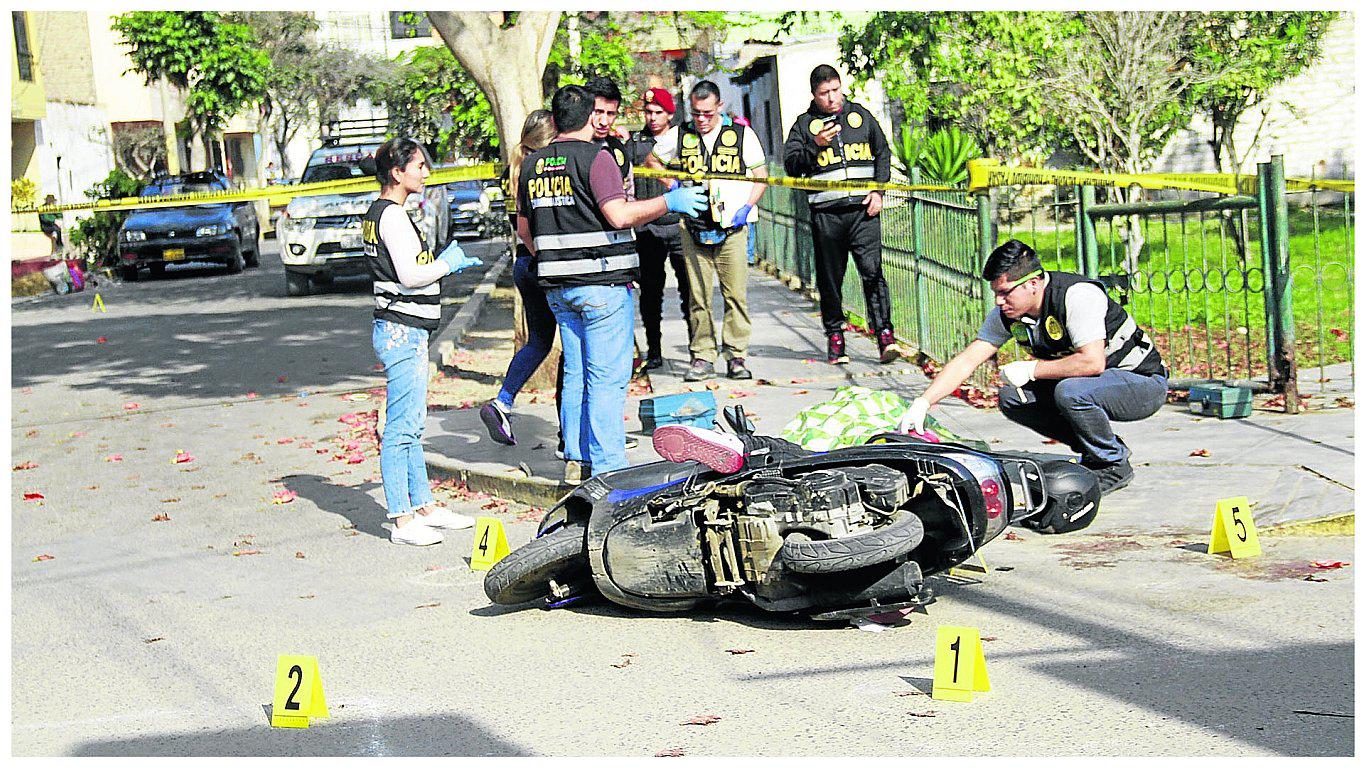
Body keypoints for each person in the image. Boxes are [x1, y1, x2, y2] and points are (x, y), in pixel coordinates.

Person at [517, 85, 705, 483]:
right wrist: (670, 203)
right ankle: (608, 471)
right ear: (588, 118)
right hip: (601, 285)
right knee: (606, 379)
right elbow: (619, 216)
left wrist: (554, 256)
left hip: (558, 286)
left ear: (553, 121)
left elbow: (524, 228)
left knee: (577, 372)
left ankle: (575, 457)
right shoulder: (596, 158)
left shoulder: (532, 166)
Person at [902, 239, 1169, 496]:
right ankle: (1101, 449)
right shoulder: (1008, 314)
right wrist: (924, 402)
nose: (998, 301)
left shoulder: (1076, 296)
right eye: (995, 293)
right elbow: (968, 360)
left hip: (1142, 383)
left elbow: (1091, 361)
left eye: (1005, 292)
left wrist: (1032, 370)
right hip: (1093, 385)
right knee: (1012, 397)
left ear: (1032, 283)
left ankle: (1112, 465)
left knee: (1070, 391)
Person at [363, 137, 476, 545]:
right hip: (401, 330)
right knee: (401, 427)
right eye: (419, 166)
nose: (426, 173)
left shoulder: (384, 214)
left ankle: (424, 506)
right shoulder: (391, 216)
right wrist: (448, 263)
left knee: (412, 424)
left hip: (404, 329)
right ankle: (402, 518)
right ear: (397, 173)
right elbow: (410, 276)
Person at [647, 80, 768, 382]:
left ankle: (736, 355)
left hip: (732, 228)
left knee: (735, 295)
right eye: (696, 113)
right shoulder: (680, 134)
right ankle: (702, 355)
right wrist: (672, 186)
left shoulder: (741, 135)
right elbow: (651, 161)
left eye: (707, 113)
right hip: (693, 227)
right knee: (698, 297)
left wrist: (746, 207)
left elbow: (761, 176)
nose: (701, 120)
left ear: (719, 108)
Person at [783, 65, 899, 366]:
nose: (832, 98)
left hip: (864, 212)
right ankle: (835, 336)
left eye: (836, 90)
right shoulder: (804, 124)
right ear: (814, 95)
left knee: (873, 273)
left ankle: (885, 334)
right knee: (831, 281)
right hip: (827, 216)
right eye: (825, 94)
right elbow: (792, 165)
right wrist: (815, 145)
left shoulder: (860, 116)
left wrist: (879, 192)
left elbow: (882, 152)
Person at [480, 110, 560, 447]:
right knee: (571, 345)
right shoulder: (537, 171)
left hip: (523, 265)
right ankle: (570, 434)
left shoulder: (511, 170)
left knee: (540, 341)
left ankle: (503, 401)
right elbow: (529, 230)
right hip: (543, 263)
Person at [626, 87, 690, 370]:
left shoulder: (684, 140)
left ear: (670, 114)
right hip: (648, 229)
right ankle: (654, 350)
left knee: (691, 292)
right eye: (648, 112)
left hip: (679, 226)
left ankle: (697, 349)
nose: (652, 118)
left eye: (658, 112)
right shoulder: (636, 143)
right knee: (651, 295)